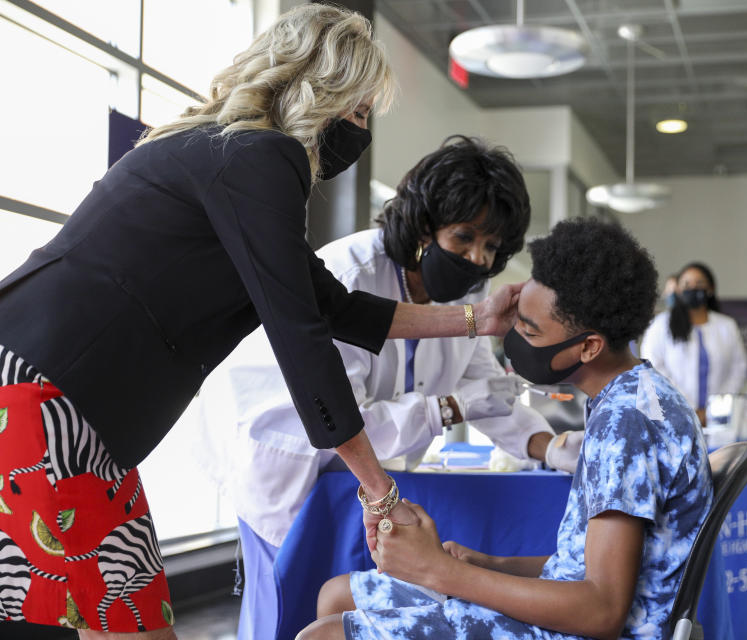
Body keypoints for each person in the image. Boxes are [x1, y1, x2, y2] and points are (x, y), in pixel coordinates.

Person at [0, 6, 518, 638]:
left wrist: (475, 318)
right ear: (321, 90)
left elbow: (335, 307)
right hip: (45, 401)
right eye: (358, 112)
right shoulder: (264, 158)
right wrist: (378, 492)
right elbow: (302, 339)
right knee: (118, 621)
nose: (360, 132)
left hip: (59, 402)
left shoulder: (227, 156)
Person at [202, 136, 574, 640]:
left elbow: (485, 386)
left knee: (344, 605)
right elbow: (344, 418)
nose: (477, 259)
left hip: (366, 481)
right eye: (463, 237)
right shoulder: (351, 276)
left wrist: (548, 446)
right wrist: (449, 409)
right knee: (283, 611)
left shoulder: (470, 292)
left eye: (491, 248)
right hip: (291, 461)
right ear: (424, 225)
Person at [298, 218, 713, 640]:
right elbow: (581, 568)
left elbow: (601, 611)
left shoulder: (628, 425)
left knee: (323, 636)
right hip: (576, 614)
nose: (513, 338)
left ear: (588, 347)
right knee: (338, 596)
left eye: (529, 330)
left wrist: (442, 573)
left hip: (585, 631)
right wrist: (486, 566)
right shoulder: (641, 393)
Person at [641, 262, 747, 425]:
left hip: (720, 417)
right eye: (686, 284)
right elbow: (653, 368)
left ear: (710, 289)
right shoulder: (661, 325)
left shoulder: (726, 325)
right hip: (673, 412)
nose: (692, 288)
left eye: (699, 284)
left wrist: (714, 408)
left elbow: (738, 368)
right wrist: (689, 408)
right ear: (678, 289)